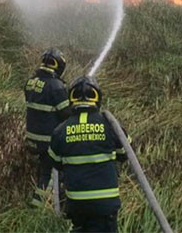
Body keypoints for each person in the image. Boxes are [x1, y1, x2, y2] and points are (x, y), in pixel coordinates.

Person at [48, 76, 129, 233]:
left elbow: (56, 163)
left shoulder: (60, 130)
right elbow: (125, 153)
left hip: (76, 206)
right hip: (105, 206)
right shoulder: (110, 125)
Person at [24, 48, 70, 207]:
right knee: (51, 175)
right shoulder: (56, 86)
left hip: (33, 139)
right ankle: (35, 209)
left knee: (43, 171)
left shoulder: (30, 82)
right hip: (48, 140)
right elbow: (66, 113)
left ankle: (54, 202)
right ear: (59, 66)